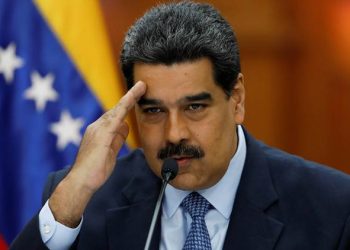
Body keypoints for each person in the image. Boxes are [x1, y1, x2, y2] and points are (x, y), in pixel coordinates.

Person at [10, 1, 350, 250]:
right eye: (154, 111)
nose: (174, 134)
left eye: (195, 107)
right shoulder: (84, 199)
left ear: (237, 100)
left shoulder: (330, 207)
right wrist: (70, 201)